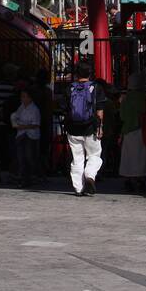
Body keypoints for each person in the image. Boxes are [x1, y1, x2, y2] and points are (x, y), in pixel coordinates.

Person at [65, 60, 105, 197]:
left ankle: (78, 188)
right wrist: (100, 127)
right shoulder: (96, 88)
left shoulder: (70, 88)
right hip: (90, 127)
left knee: (77, 158)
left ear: (76, 73)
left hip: (73, 129)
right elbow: (99, 111)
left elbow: (66, 109)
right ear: (90, 73)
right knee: (94, 155)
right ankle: (90, 175)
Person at [119, 71, 146, 191]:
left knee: (129, 157)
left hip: (128, 130)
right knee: (142, 157)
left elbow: (122, 116)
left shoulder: (125, 99)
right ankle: (141, 180)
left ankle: (130, 179)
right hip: (141, 130)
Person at [10, 86, 41, 188]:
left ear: (30, 98)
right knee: (21, 157)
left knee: (29, 157)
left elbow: (36, 124)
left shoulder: (34, 109)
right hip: (21, 134)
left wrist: (23, 126)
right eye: (22, 97)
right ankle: (22, 177)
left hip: (30, 135)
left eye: (25, 97)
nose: (23, 99)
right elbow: (16, 117)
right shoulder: (21, 107)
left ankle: (30, 177)